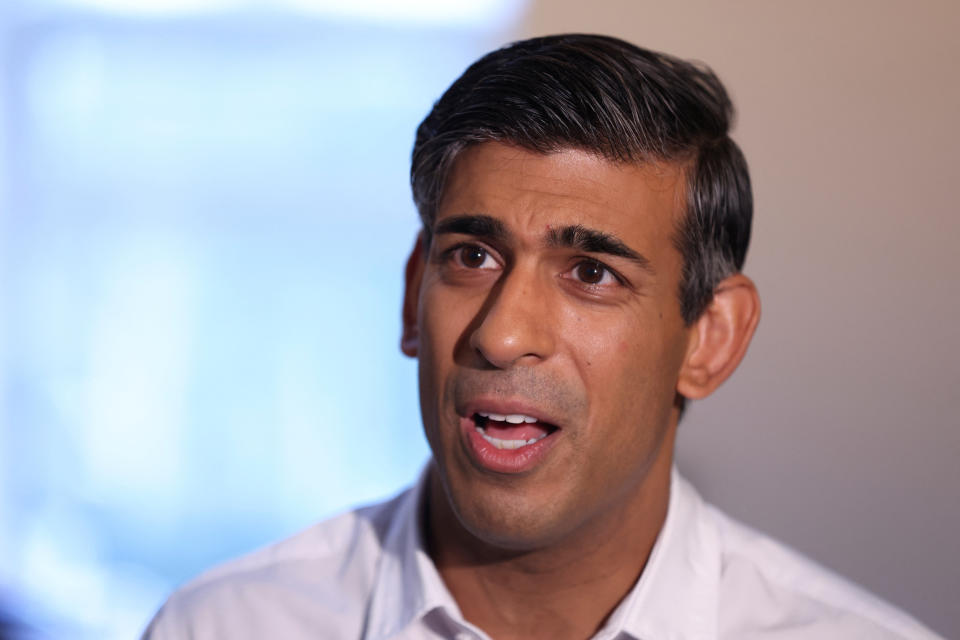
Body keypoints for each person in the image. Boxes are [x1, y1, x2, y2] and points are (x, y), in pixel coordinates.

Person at [142, 34, 942, 640]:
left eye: (591, 272)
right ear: (414, 293)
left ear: (710, 339)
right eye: (472, 257)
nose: (504, 334)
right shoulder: (223, 624)